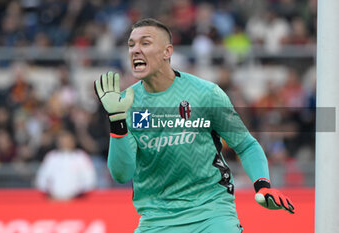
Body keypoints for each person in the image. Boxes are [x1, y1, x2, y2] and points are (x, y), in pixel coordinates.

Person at [94, 18, 294, 233]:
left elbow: (246, 145)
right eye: (131, 44)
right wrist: (116, 120)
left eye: (145, 43)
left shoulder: (205, 94)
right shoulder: (126, 104)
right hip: (157, 219)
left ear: (167, 52)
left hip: (211, 212)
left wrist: (262, 186)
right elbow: (122, 174)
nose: (135, 50)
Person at [35, 130, 97, 200]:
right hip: (53, 200)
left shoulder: (81, 157)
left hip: (76, 201)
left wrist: (77, 195)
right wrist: (50, 194)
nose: (65, 143)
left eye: (67, 141)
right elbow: (41, 178)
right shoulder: (51, 157)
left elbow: (89, 179)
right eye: (62, 141)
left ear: (73, 141)